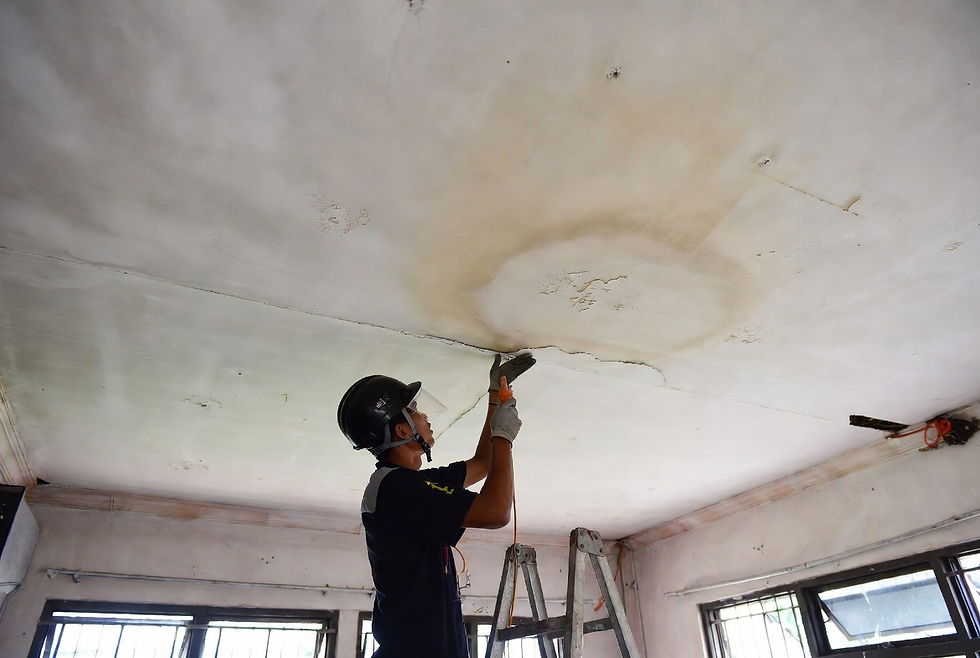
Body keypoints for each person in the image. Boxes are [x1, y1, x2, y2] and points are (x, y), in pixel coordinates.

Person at [336, 353, 535, 658]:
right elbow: (496, 513)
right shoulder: (395, 489)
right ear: (402, 430)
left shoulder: (409, 485)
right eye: (414, 410)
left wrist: (496, 393)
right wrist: (504, 437)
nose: (425, 415)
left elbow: (484, 463)